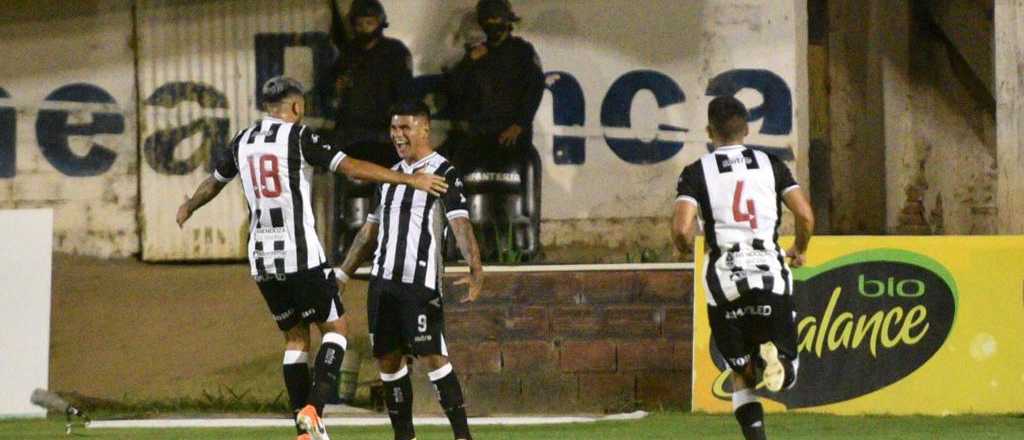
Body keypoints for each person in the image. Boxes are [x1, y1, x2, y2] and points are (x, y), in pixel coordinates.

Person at [175, 77, 447, 440]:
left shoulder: (243, 140)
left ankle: (303, 430)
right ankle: (314, 410)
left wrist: (189, 206)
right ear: (296, 106)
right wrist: (410, 181)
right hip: (299, 254)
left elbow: (214, 181)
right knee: (336, 330)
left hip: (261, 258)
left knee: (295, 339)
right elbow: (351, 168)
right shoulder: (299, 137)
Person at [670, 96, 814, 440]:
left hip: (725, 281)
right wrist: (800, 248)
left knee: (742, 375)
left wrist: (684, 248)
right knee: (788, 374)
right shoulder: (771, 165)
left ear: (709, 132)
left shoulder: (696, 172)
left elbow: (681, 228)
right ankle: (777, 358)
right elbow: (805, 215)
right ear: (746, 129)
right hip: (769, 274)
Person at [336, 100, 482, 440]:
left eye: (405, 127)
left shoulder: (443, 172)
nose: (397, 135)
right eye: (393, 128)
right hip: (382, 283)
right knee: (388, 361)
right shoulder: (390, 176)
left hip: (419, 283)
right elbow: (368, 232)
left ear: (425, 128)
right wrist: (342, 274)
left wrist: (475, 267)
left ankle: (463, 436)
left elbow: (459, 223)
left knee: (432, 356)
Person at [445, 0, 544, 260]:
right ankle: (460, 246)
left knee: (519, 177)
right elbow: (454, 90)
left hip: (513, 135)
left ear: (508, 21)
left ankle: (521, 245)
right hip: (479, 135)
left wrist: (520, 124)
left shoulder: (522, 52)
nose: (493, 24)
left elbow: (534, 89)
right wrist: (469, 62)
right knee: (456, 170)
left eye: (498, 19)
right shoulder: (476, 54)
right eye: (488, 20)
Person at [328, 0, 416, 258]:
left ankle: (393, 243)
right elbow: (327, 87)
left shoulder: (395, 52)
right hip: (353, 138)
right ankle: (351, 244)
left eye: (370, 22)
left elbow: (405, 95)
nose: (365, 28)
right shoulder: (348, 54)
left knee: (393, 190)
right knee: (348, 189)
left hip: (385, 139)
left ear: (380, 23)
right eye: (360, 24)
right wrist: (336, 86)